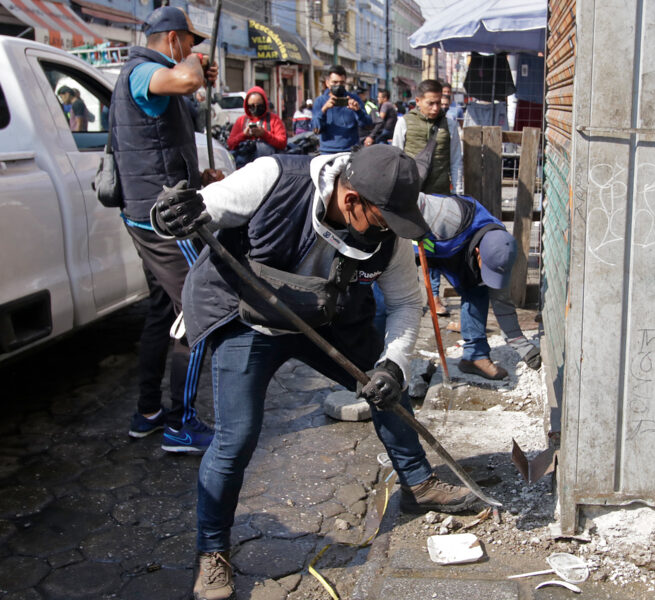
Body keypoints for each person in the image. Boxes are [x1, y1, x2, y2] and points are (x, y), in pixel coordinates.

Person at [147, 145, 481, 599]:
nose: (391, 229)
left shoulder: (389, 233)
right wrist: (167, 215)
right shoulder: (273, 179)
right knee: (236, 438)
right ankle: (212, 552)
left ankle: (418, 484)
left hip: (326, 318)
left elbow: (405, 303)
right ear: (351, 201)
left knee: (385, 389)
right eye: (383, 218)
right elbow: (194, 210)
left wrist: (393, 367)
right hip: (248, 319)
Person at [109, 5, 222, 453]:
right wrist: (194, 65)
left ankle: (149, 412)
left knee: (161, 311)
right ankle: (181, 423)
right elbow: (187, 79)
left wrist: (200, 178)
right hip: (163, 222)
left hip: (151, 212)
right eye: (190, 43)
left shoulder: (148, 74)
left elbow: (159, 143)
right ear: (174, 40)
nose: (193, 51)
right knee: (197, 312)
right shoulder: (142, 71)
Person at [418, 193, 542, 378]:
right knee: (395, 302)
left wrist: (519, 343)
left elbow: (502, 300)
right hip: (423, 241)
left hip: (453, 252)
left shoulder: (499, 245)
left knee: (477, 290)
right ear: (478, 252)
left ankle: (474, 357)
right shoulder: (448, 219)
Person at [393, 79, 462, 316]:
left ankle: (434, 296)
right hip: (412, 198)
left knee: (432, 248)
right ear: (418, 101)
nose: (436, 108)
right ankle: (408, 298)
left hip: (439, 198)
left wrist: (457, 194)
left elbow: (455, 160)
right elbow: (397, 158)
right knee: (408, 249)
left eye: (439, 103)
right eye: (431, 103)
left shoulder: (449, 124)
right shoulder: (404, 123)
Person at [312, 66, 370, 153]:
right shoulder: (320, 101)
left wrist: (358, 111)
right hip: (327, 152)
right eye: (335, 82)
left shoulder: (354, 99)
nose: (338, 86)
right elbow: (315, 128)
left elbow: (367, 124)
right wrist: (324, 109)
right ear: (327, 83)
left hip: (350, 152)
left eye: (342, 83)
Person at [226, 86, 287, 168]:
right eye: (252, 106)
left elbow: (282, 143)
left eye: (259, 105)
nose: (255, 108)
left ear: (264, 104)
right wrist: (244, 135)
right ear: (247, 106)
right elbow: (230, 144)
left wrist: (264, 134)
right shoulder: (241, 121)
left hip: (268, 168)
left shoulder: (274, 119)